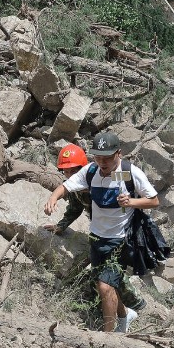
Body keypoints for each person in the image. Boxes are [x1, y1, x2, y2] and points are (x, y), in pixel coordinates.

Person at [44, 132, 159, 333]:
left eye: (107, 157)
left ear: (119, 154)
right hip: (97, 237)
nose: (102, 162)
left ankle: (108, 338)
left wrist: (131, 202)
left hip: (121, 239)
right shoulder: (91, 171)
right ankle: (125, 316)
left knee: (105, 286)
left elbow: (154, 200)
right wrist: (53, 197)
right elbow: (66, 187)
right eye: (98, 157)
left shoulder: (128, 173)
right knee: (104, 285)